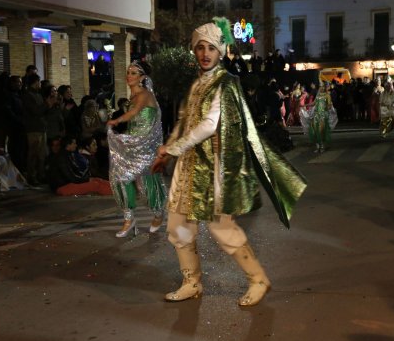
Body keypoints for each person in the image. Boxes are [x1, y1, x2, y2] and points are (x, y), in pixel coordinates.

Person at [152, 18, 306, 306]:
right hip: (188, 167)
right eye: (200, 47)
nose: (205, 53)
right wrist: (167, 151)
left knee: (221, 228)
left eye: (211, 47)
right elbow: (184, 122)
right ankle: (191, 282)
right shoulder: (196, 84)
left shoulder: (226, 83)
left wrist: (174, 149)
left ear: (220, 51)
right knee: (178, 225)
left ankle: (258, 279)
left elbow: (210, 125)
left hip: (214, 167)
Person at [106, 60, 167, 238]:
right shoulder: (132, 97)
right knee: (120, 176)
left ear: (142, 77)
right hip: (133, 145)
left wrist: (116, 121)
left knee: (149, 182)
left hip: (147, 147)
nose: (129, 75)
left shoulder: (144, 95)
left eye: (133, 73)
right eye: (128, 72)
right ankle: (129, 218)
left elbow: (134, 113)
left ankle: (158, 214)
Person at [300, 81, 338, 153]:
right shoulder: (318, 95)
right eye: (320, 86)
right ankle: (317, 146)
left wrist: (328, 107)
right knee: (314, 130)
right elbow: (313, 103)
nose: (321, 88)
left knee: (321, 131)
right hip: (316, 115)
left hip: (323, 115)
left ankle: (322, 146)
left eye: (322, 86)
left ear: (324, 87)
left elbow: (329, 104)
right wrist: (305, 105)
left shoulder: (327, 95)